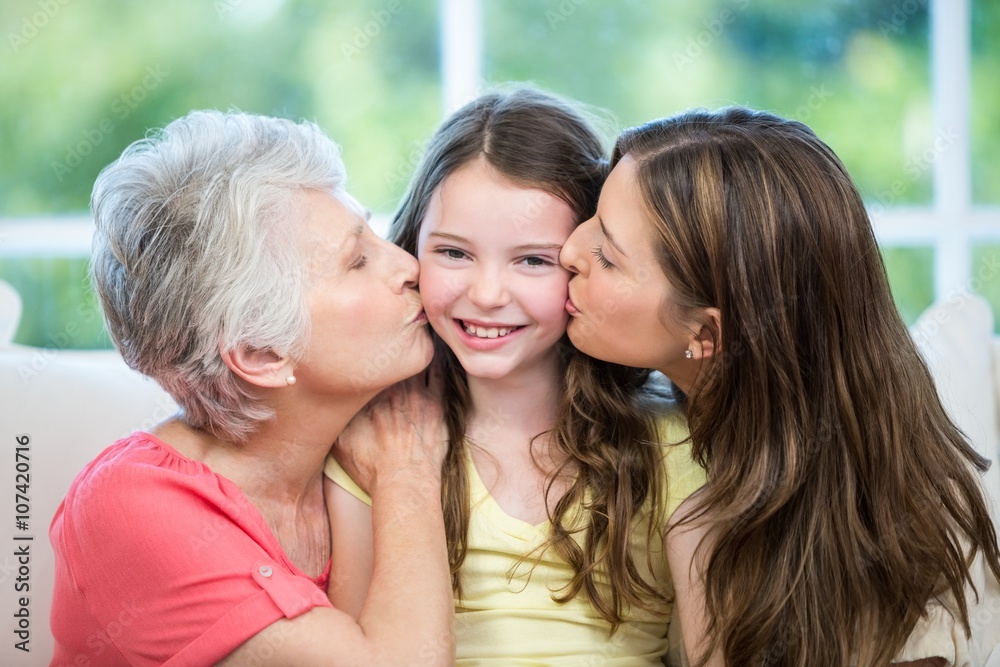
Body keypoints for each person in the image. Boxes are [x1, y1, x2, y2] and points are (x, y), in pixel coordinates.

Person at [558, 105, 1000, 667]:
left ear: (706, 332)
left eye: (607, 257)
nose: (568, 250)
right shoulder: (668, 420)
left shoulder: (891, 527)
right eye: (592, 218)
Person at [49, 110, 454, 666]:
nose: (410, 266)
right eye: (357, 261)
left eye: (375, 236)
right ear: (261, 354)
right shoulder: (130, 508)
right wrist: (409, 472)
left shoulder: (350, 446)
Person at [324, 87, 706, 664]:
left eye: (533, 260)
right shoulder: (374, 437)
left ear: (586, 261)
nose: (486, 294)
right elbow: (357, 649)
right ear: (412, 250)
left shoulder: (669, 442)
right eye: (453, 253)